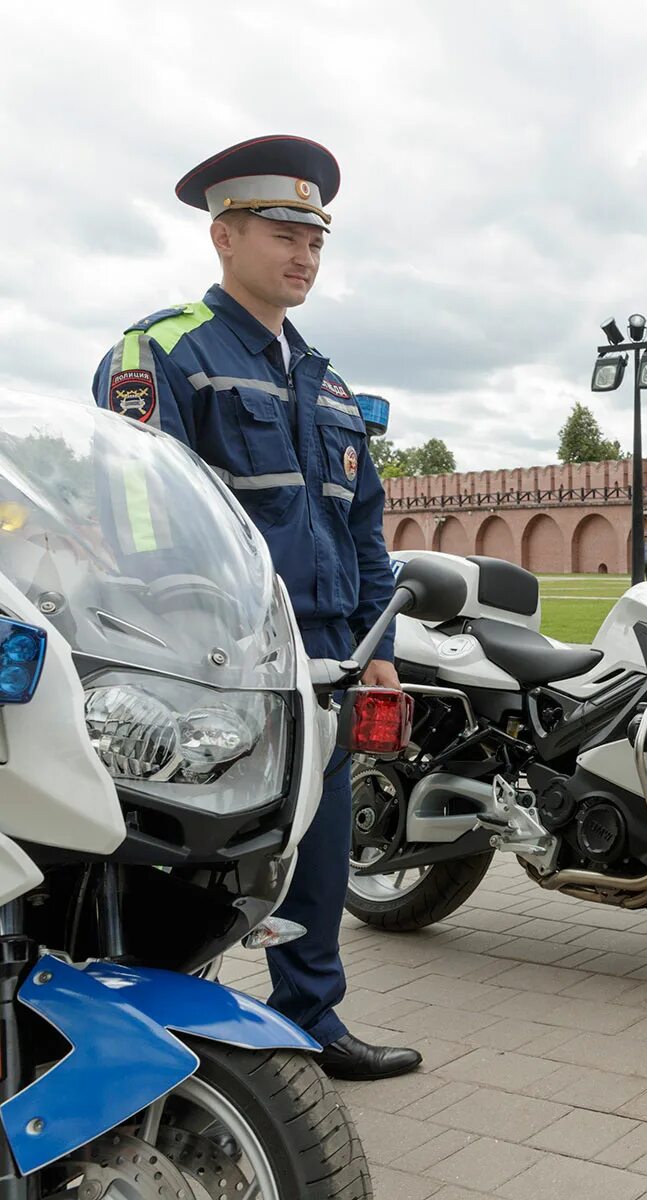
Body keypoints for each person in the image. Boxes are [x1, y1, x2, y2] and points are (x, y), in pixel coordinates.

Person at [91, 136, 417, 1080]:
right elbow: (135, 521)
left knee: (316, 842)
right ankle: (141, 1022)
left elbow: (363, 528)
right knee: (184, 842)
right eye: (283, 233)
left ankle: (311, 1018)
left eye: (316, 238)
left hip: (321, 651)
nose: (305, 254)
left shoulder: (328, 381)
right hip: (210, 653)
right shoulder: (162, 352)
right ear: (224, 235)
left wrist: (376, 646)